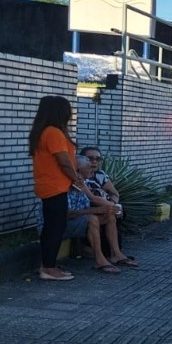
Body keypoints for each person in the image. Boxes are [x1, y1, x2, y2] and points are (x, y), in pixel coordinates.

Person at [30, 96, 101, 282]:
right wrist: (76, 179)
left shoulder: (44, 131)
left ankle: (48, 264)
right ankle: (48, 268)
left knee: (54, 226)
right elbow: (64, 161)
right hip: (55, 186)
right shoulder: (53, 132)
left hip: (51, 185)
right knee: (54, 227)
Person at [70, 155, 137, 273]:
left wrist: (111, 207)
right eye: (89, 166)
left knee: (109, 215)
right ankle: (99, 260)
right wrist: (97, 210)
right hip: (68, 221)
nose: (92, 168)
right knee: (93, 218)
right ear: (79, 171)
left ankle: (116, 254)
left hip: (80, 217)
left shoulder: (81, 181)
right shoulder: (68, 184)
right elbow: (67, 214)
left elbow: (92, 197)